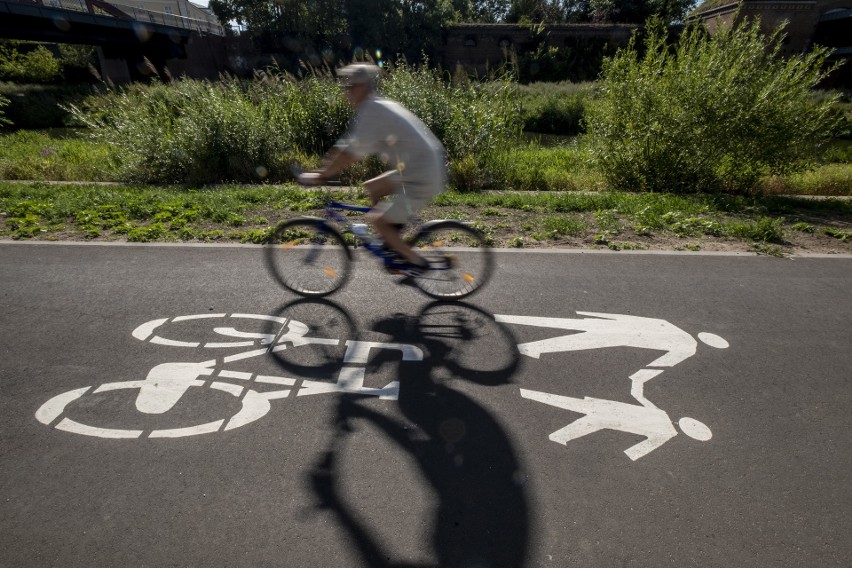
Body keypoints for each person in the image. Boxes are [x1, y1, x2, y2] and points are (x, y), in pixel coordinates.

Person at [297, 63, 449, 277]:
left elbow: (348, 153)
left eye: (350, 87)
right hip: (417, 169)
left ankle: (415, 261)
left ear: (363, 87)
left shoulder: (373, 111)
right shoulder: (376, 106)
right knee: (373, 187)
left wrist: (321, 175)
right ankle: (390, 240)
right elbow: (353, 149)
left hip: (421, 175)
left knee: (378, 220)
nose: (346, 92)